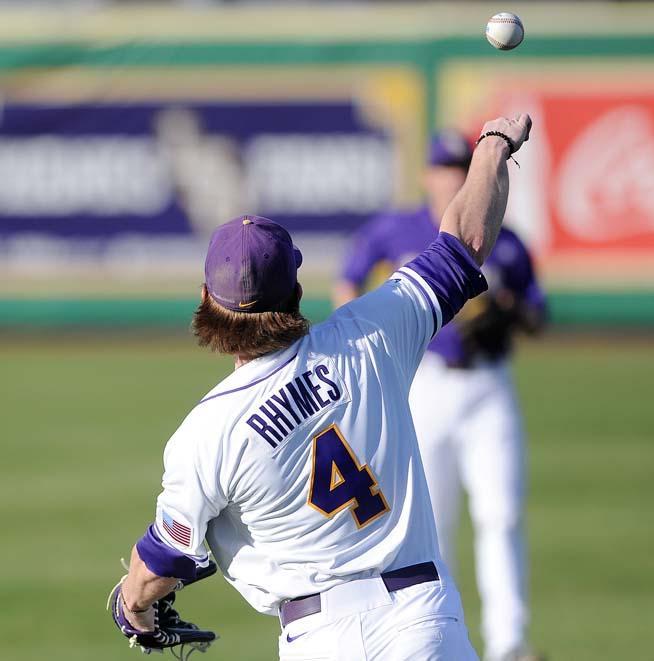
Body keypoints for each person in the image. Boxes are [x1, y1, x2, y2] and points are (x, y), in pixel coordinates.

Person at [109, 114, 532, 661]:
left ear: (207, 302)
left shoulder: (205, 432)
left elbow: (163, 561)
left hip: (318, 638)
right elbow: (466, 241)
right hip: (422, 622)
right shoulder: (369, 333)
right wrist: (495, 144)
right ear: (296, 289)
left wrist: (132, 605)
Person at [335, 129, 546, 661]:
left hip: (488, 384)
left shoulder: (507, 239)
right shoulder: (395, 230)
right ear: (428, 175)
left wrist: (512, 316)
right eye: (445, 169)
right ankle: (443, 632)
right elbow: (348, 283)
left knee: (502, 515)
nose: (453, 178)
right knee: (433, 518)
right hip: (423, 383)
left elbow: (537, 312)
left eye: (462, 169)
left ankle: (508, 641)